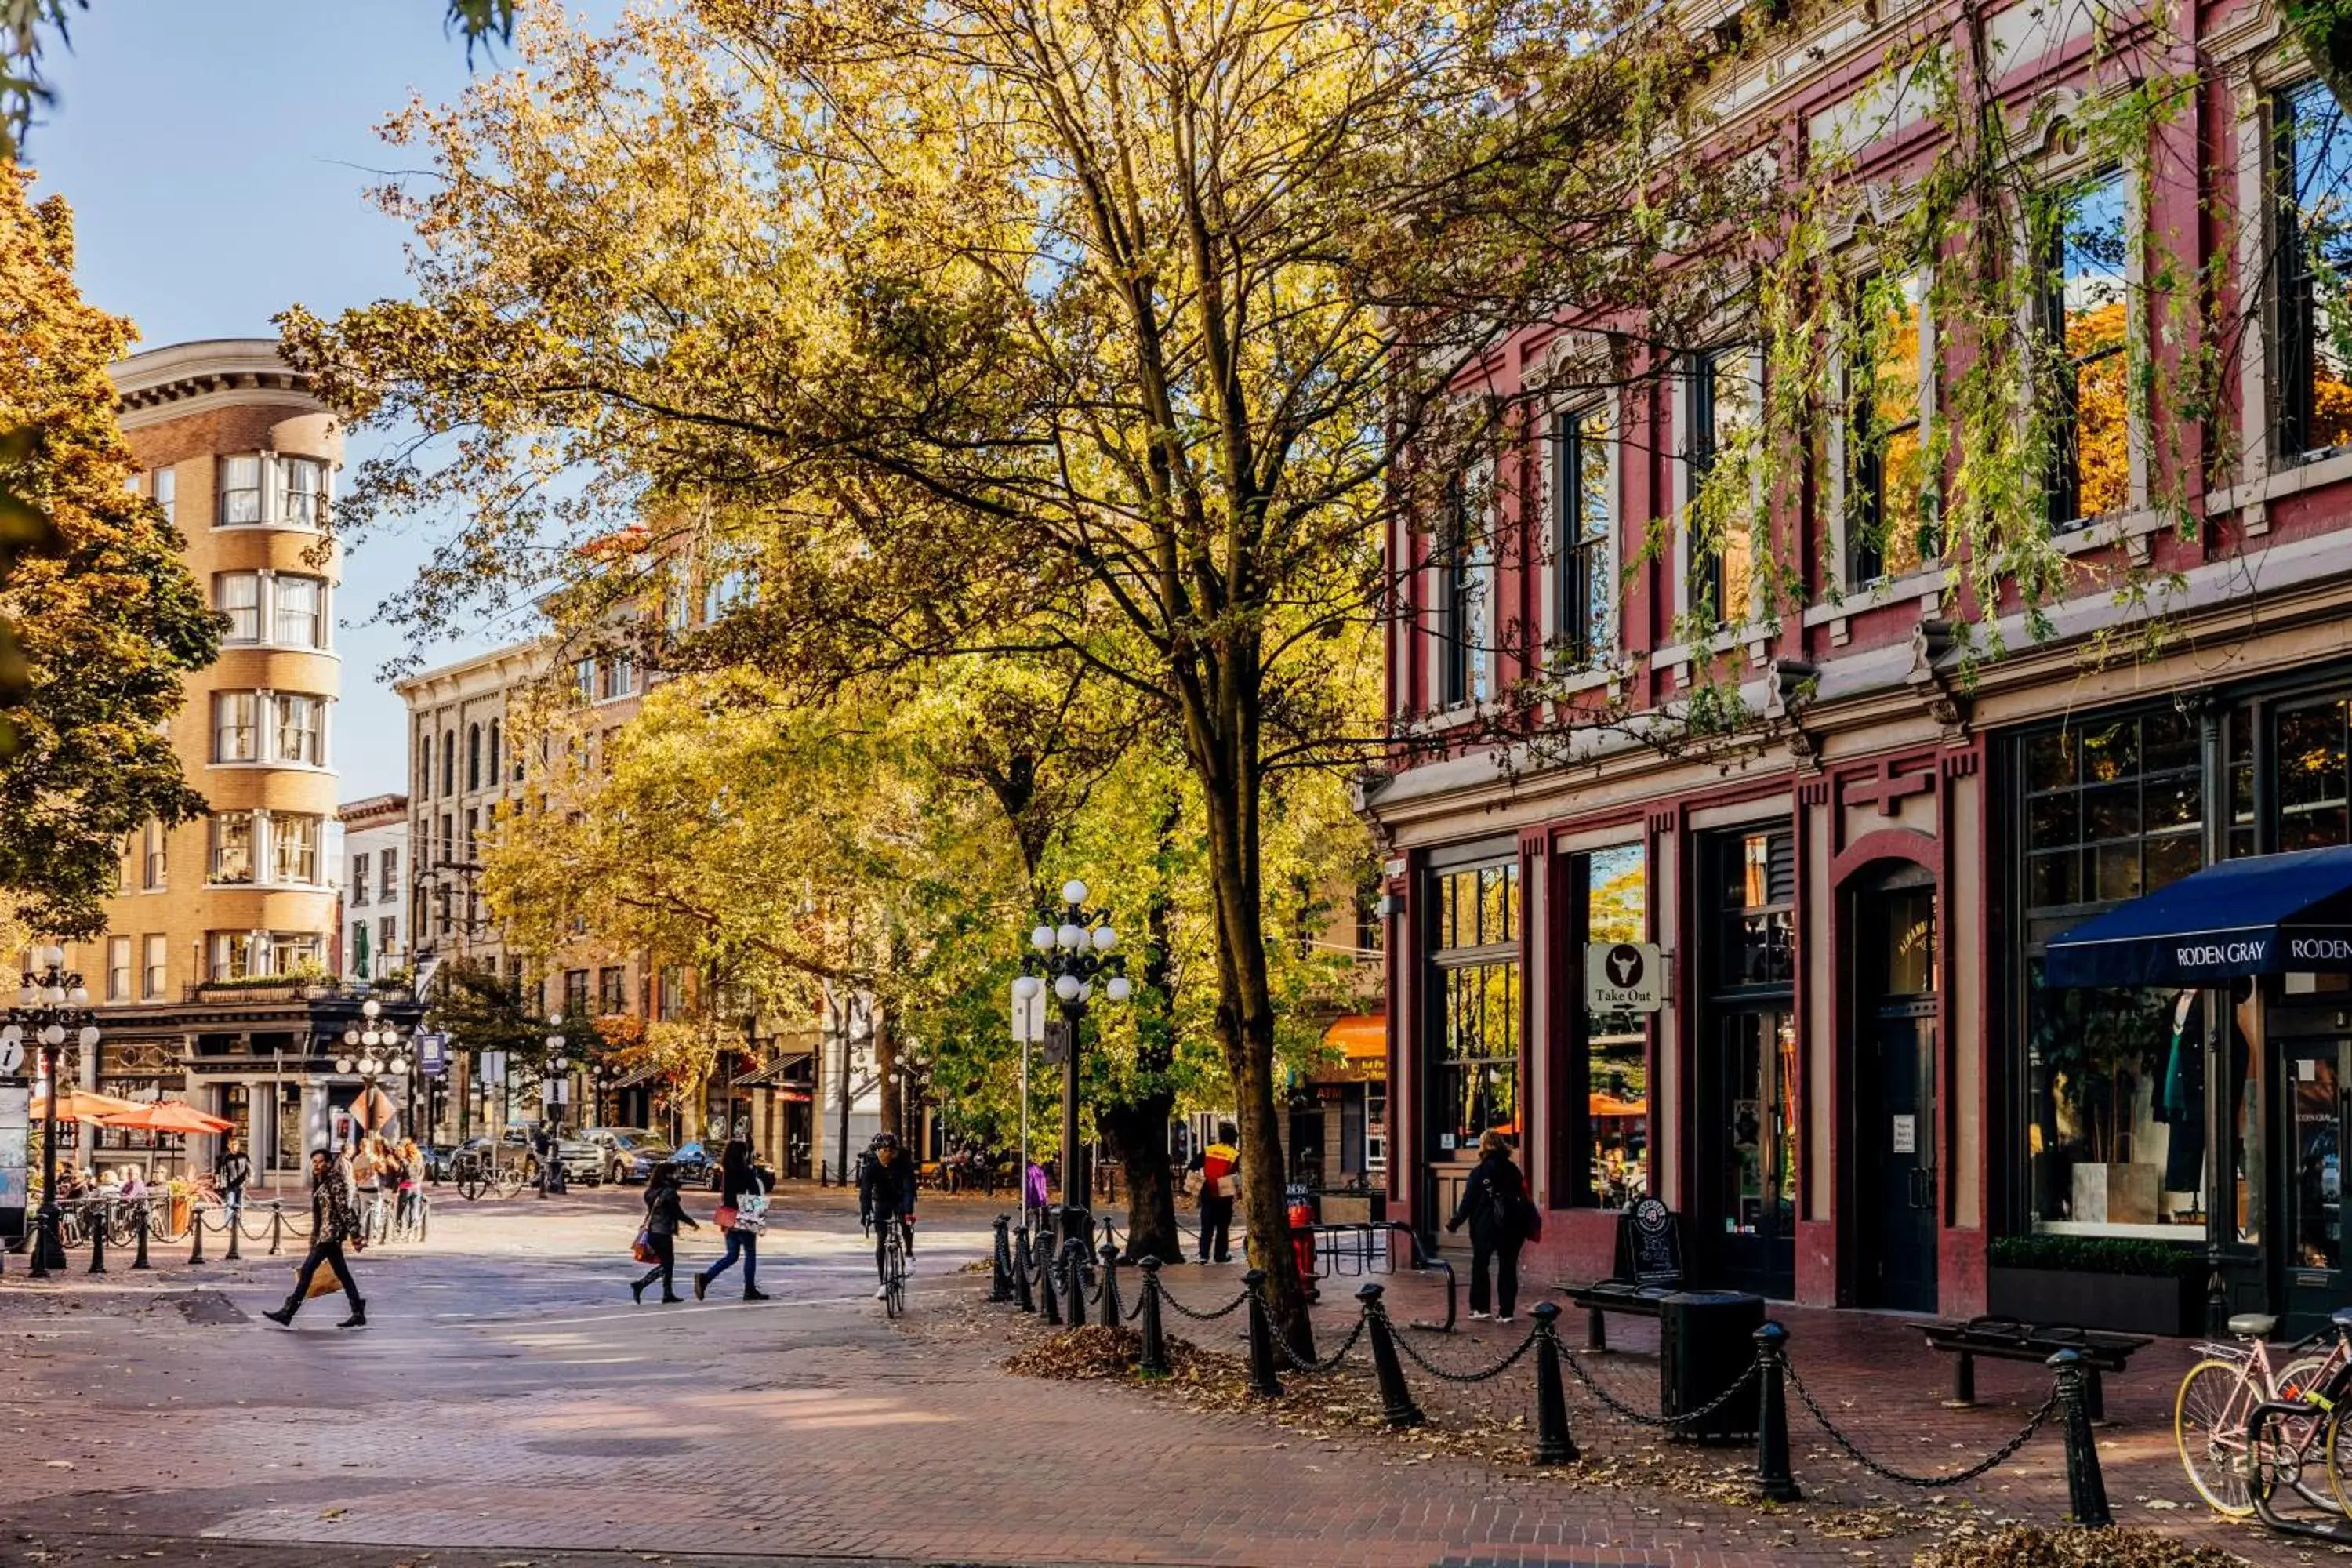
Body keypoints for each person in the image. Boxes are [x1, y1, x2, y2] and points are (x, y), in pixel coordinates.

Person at [263, 1147, 366, 1330]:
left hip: (330, 1235)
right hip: (325, 1235)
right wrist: (314, 1235)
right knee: (342, 1274)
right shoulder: (321, 1181)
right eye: (314, 1163)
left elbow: (344, 1209)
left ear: (328, 1163)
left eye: (320, 1162)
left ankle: (288, 1312)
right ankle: (358, 1311)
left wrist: (355, 1234)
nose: (316, 1166)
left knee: (307, 1271)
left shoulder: (335, 1182)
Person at [1446, 1130, 1531, 1323]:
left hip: (1486, 1226)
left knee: (1480, 1265)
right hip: (1512, 1225)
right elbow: (1523, 1195)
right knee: (1508, 1267)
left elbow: (1467, 1203)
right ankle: (1506, 1312)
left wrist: (1454, 1223)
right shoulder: (1513, 1170)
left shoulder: (1479, 1172)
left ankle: (1480, 1308)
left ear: (1483, 1147)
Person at [693, 1140, 771, 1301]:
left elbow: (726, 1195)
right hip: (744, 1214)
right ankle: (749, 1289)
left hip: (729, 1215)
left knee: (732, 1255)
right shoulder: (746, 1172)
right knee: (750, 1253)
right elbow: (756, 1192)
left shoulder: (726, 1172)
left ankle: (706, 1278)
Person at [860, 1131, 918, 1300]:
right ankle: (883, 1284)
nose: (886, 1154)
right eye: (882, 1151)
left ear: (894, 1151)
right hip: (882, 1200)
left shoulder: (903, 1164)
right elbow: (865, 1192)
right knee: (881, 1239)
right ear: (877, 1151)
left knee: (904, 1221)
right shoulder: (871, 1167)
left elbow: (909, 1190)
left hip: (900, 1197)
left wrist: (908, 1212)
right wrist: (865, 1212)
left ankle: (908, 1254)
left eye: (889, 1151)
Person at [633, 1160, 699, 1303]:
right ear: (668, 1175)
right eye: (675, 1173)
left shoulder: (651, 1192)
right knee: (667, 1264)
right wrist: (691, 1222)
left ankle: (667, 1293)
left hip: (652, 1231)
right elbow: (677, 1212)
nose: (677, 1176)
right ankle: (641, 1285)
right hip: (663, 1232)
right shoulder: (669, 1192)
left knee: (667, 1262)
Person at [1191, 1122, 1240, 1264]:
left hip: (1207, 1192)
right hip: (1224, 1194)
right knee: (1222, 1228)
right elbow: (1237, 1174)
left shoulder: (1209, 1149)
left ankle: (1203, 1255)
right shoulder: (1234, 1154)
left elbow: (1193, 1165)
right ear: (1233, 1140)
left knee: (1206, 1226)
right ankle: (1220, 1256)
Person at [217, 1138, 252, 1226]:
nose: (234, 1147)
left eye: (235, 1144)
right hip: (230, 1185)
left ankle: (238, 1223)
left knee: (239, 1204)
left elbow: (249, 1168)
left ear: (238, 1145)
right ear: (229, 1146)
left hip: (241, 1185)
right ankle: (228, 1225)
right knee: (230, 1204)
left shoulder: (244, 1156)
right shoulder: (226, 1158)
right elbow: (221, 1172)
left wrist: (250, 1177)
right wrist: (221, 1184)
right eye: (232, 1145)